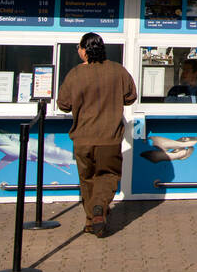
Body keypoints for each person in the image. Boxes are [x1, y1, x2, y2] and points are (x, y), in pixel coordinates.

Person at [57, 31, 137, 238]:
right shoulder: (118, 71)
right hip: (109, 138)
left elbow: (63, 105)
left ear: (84, 51)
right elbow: (130, 97)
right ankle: (99, 209)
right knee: (108, 176)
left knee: (87, 180)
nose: (78, 51)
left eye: (78, 48)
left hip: (82, 138)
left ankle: (91, 222)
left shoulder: (75, 74)